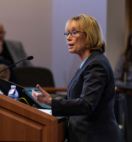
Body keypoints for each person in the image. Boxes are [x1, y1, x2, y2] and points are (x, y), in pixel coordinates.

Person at [32, 14, 125, 142]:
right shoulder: (88, 63)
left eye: (74, 33)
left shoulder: (96, 64)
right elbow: (74, 98)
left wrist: (51, 102)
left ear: (89, 35)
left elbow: (86, 104)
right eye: (68, 33)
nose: (68, 38)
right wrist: (44, 105)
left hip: (96, 137)